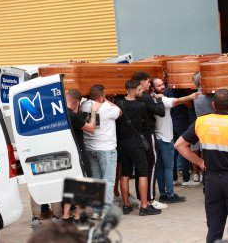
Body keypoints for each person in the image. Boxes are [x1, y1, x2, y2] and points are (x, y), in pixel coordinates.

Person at [174, 89, 228, 243]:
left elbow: (180, 145)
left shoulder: (201, 121)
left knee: (214, 227)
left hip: (212, 179)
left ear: (213, 105)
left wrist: (200, 162)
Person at [116, 80, 161, 216]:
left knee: (125, 174)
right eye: (140, 90)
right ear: (132, 91)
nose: (142, 92)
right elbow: (143, 122)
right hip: (136, 143)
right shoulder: (141, 106)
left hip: (122, 144)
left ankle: (126, 205)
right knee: (143, 173)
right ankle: (144, 205)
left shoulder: (119, 104)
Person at [150, 78, 199, 203]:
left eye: (162, 84)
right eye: (159, 85)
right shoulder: (161, 100)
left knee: (161, 168)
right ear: (152, 88)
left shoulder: (150, 99)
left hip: (156, 138)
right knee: (167, 168)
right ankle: (170, 195)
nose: (162, 87)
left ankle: (162, 194)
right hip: (165, 138)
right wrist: (191, 96)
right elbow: (177, 101)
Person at [80, 85, 122, 219]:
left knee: (97, 181)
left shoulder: (84, 106)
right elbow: (120, 111)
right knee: (108, 181)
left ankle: (97, 210)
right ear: (101, 97)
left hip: (90, 149)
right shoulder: (107, 108)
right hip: (106, 149)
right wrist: (106, 100)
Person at [62, 88, 100, 223]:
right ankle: (77, 216)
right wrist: (94, 112)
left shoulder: (60, 113)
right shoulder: (73, 116)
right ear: (76, 103)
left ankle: (66, 216)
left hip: (66, 155)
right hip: (78, 153)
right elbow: (91, 129)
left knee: (70, 185)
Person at [132, 71, 165, 207]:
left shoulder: (129, 97)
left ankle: (142, 198)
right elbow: (161, 112)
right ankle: (150, 199)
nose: (149, 84)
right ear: (142, 82)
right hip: (147, 134)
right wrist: (159, 99)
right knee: (152, 165)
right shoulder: (146, 98)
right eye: (148, 82)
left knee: (141, 167)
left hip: (136, 135)